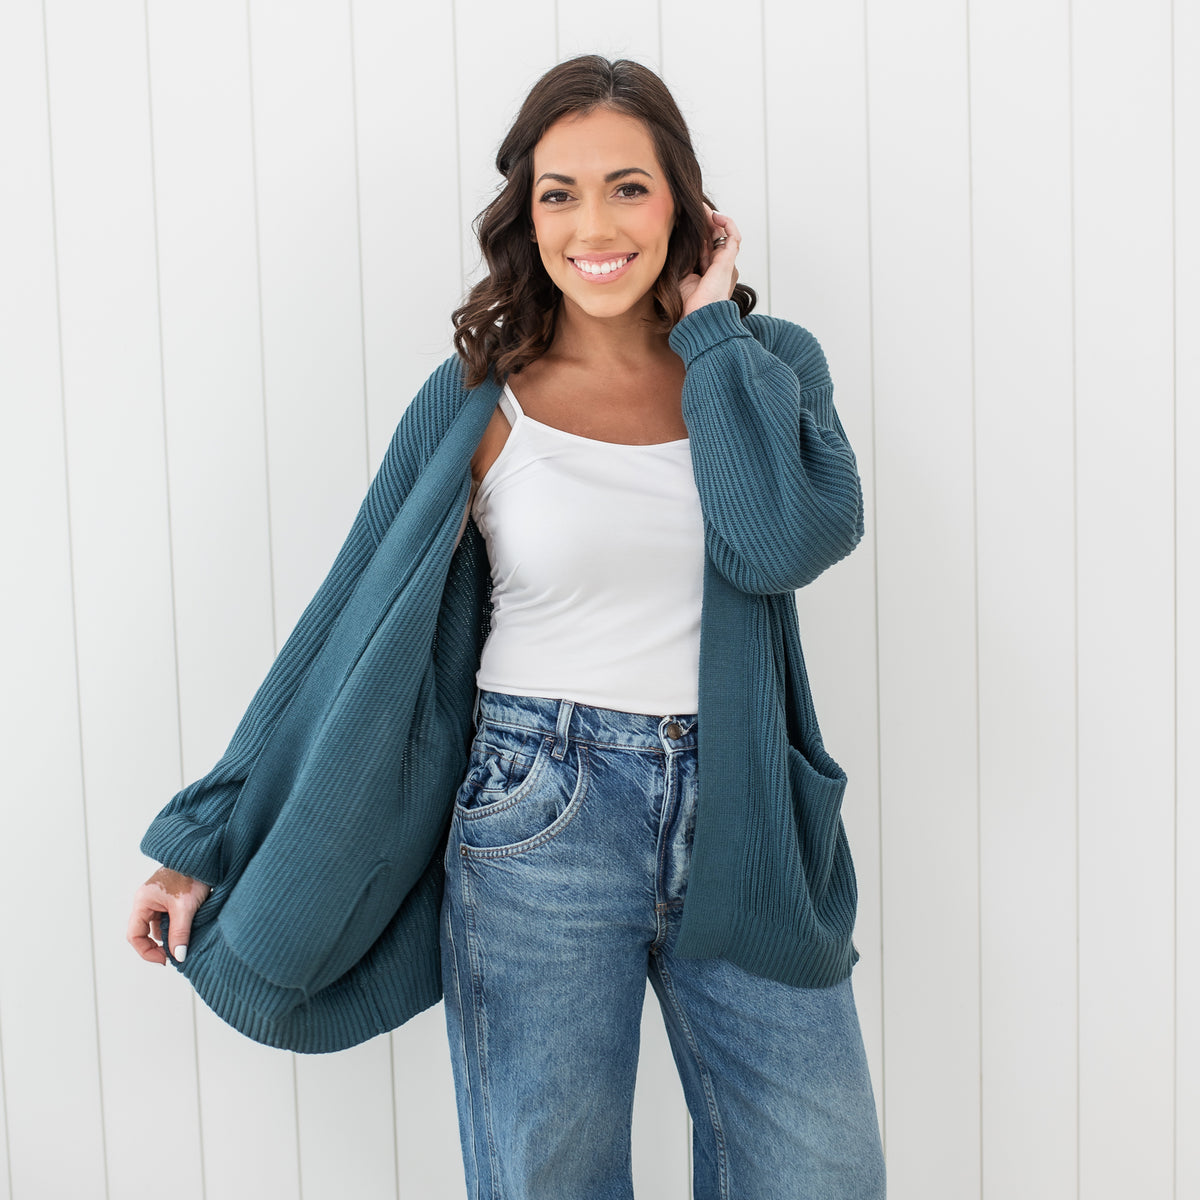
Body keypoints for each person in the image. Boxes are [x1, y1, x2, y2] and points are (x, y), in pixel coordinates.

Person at [127, 53, 885, 1200]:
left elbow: (779, 544)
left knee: (823, 1173)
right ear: (525, 216)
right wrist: (205, 838)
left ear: (684, 199)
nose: (595, 224)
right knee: (550, 1180)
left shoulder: (768, 367)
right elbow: (346, 618)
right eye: (559, 192)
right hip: (541, 815)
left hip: (749, 818)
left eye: (629, 187)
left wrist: (713, 329)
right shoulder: (485, 393)